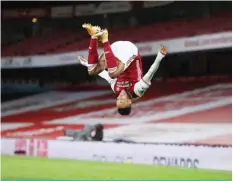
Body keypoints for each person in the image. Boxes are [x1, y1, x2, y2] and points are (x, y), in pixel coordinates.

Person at [78, 24, 168, 115]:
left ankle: (94, 36)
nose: (119, 97)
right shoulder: (137, 91)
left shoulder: (116, 89)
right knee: (113, 73)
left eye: (118, 100)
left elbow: (105, 75)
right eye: (122, 100)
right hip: (130, 52)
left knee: (92, 70)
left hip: (115, 50)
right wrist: (159, 57)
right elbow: (150, 74)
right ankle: (105, 39)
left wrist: (86, 64)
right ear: (129, 102)